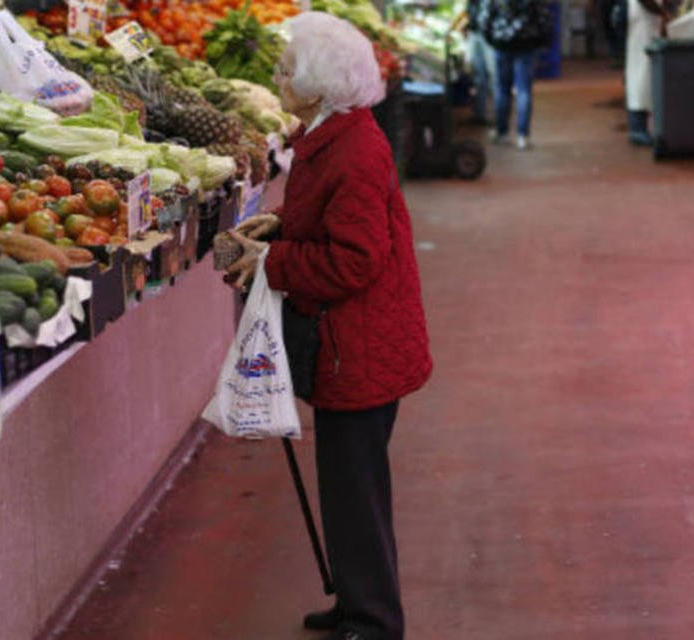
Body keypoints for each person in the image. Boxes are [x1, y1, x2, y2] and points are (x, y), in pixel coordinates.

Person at [222, 12, 433, 640]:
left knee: (356, 489)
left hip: (361, 348)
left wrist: (272, 261)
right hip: (350, 344)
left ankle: (374, 620)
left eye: (288, 71)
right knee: (345, 486)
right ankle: (354, 602)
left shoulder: (357, 149)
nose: (278, 77)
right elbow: (330, 216)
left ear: (319, 84)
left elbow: (355, 260)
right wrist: (281, 224)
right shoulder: (330, 132)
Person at [483, 0, 554, 150]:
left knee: (502, 89)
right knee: (524, 90)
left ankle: (502, 133)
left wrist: (491, 38)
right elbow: (544, 16)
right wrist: (544, 40)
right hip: (527, 43)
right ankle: (523, 136)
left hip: (502, 43)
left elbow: (485, 16)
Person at [625, 0, 672, 145]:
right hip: (644, 19)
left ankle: (640, 126)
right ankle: (637, 128)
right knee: (640, 72)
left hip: (649, 20)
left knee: (644, 73)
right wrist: (663, 13)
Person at [456, 0, 497, 125]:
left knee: (494, 75)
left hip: (490, 31)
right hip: (476, 29)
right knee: (478, 74)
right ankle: (480, 114)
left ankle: (499, 117)